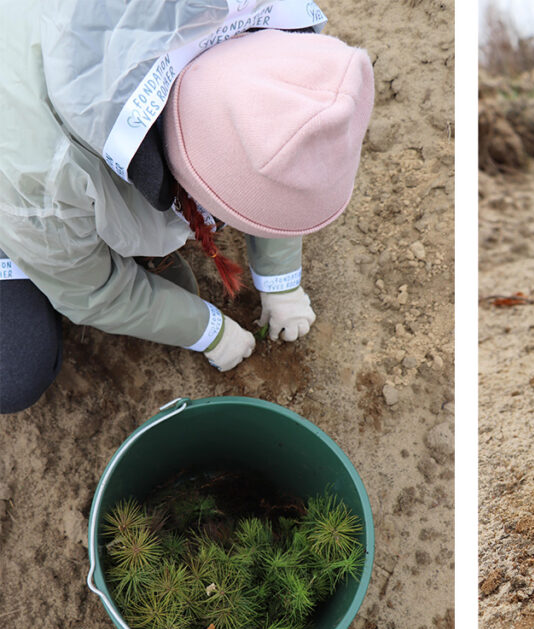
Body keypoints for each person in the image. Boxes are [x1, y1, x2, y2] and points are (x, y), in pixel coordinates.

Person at [0, 0, 374, 413]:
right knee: (14, 371)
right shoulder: (44, 180)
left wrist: (280, 278)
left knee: (170, 289)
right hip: (13, 166)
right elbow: (94, 291)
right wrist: (207, 330)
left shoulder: (249, 16)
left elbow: (276, 146)